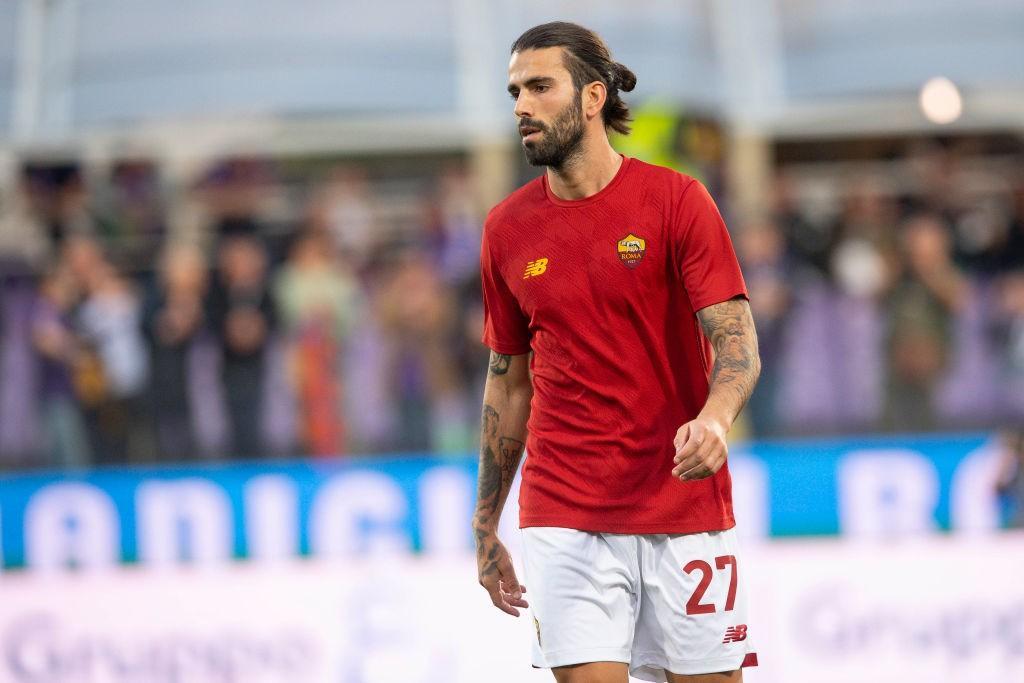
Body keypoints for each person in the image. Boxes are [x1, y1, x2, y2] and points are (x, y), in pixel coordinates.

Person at [471, 22, 761, 683]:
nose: (521, 105)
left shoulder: (677, 202)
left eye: (540, 86)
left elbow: (736, 341)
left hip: (683, 504)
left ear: (594, 96)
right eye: (515, 90)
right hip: (564, 511)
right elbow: (508, 385)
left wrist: (715, 419)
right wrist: (486, 524)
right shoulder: (506, 230)